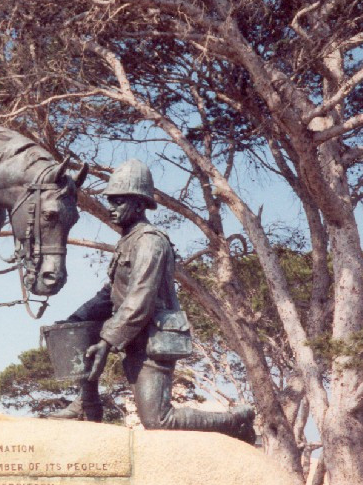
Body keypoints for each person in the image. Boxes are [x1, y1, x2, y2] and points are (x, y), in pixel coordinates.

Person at [49, 159, 255, 443]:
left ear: (139, 204)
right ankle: (86, 403)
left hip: (152, 341)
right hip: (133, 336)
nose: (111, 208)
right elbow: (111, 292)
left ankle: (235, 422)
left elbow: (140, 299)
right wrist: (74, 320)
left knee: (159, 420)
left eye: (119, 202)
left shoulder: (149, 242)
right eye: (110, 201)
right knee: (76, 332)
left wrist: (107, 341)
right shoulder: (128, 240)